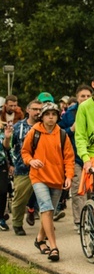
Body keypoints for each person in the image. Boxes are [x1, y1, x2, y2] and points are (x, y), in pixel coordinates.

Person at [21, 102, 74, 261]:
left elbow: (69, 159)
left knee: (48, 212)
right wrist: (31, 161)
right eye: (47, 114)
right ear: (42, 117)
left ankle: (39, 239)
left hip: (57, 179)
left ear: (58, 117)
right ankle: (54, 247)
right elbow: (25, 152)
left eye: (54, 114)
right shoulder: (34, 132)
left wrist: (69, 176)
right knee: (47, 209)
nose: (51, 117)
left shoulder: (62, 135)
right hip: (38, 177)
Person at [59, 84, 93, 233]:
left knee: (92, 189)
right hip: (74, 156)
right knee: (78, 189)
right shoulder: (69, 113)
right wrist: (71, 130)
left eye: (88, 96)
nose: (85, 99)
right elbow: (59, 133)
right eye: (82, 96)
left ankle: (92, 219)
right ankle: (79, 221)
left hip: (93, 154)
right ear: (77, 98)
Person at [10, 100, 43, 235]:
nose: (37, 112)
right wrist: (11, 164)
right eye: (35, 109)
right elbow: (10, 146)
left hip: (43, 169)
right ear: (28, 110)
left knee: (45, 199)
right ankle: (17, 223)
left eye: (40, 109)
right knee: (20, 199)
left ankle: (46, 224)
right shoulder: (19, 127)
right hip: (23, 168)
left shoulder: (46, 126)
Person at [0, 120, 13, 231]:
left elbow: (6, 147)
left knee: (3, 191)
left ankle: (1, 218)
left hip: (1, 165)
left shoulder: (2, 128)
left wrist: (7, 137)